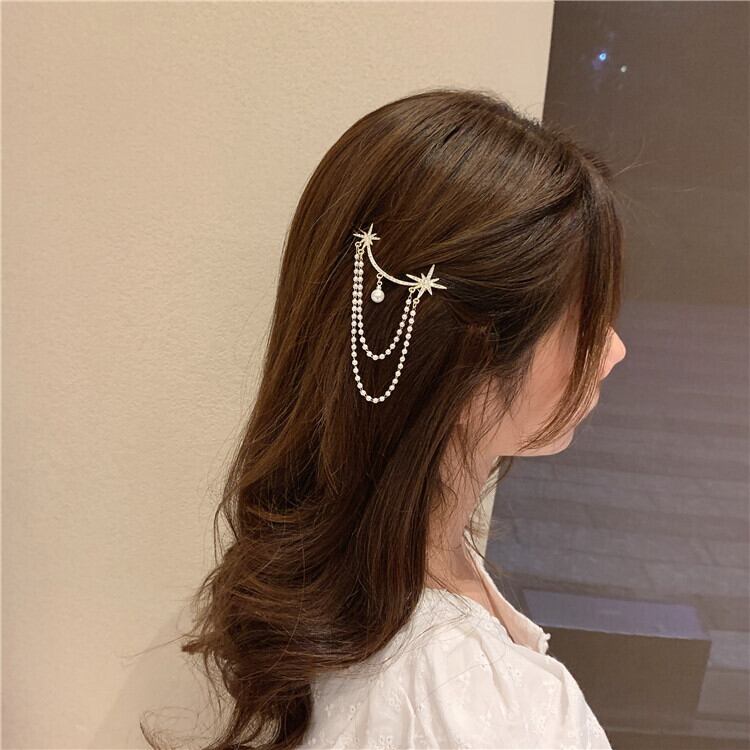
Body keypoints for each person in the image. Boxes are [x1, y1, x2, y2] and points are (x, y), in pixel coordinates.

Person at [141, 87, 627, 750]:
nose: (613, 350)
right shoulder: (481, 709)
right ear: (463, 361)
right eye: (584, 318)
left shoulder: (337, 572)